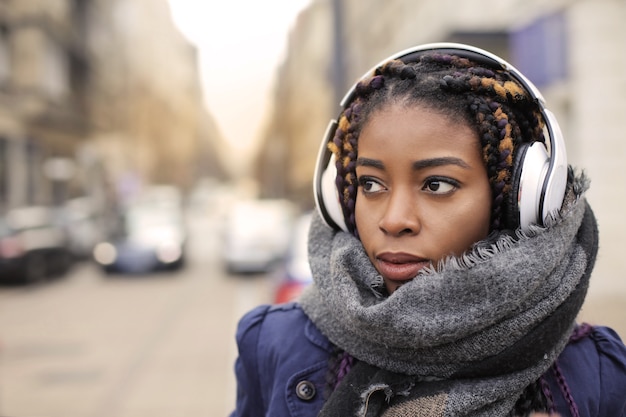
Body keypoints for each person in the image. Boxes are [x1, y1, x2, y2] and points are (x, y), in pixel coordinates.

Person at [229, 43, 626, 417]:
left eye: (436, 184)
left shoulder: (596, 373)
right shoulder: (272, 344)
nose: (394, 219)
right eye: (371, 184)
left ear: (517, 199)